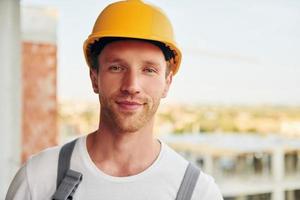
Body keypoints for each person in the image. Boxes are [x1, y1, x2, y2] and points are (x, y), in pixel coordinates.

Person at [6, 0, 223, 199]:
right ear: (94, 78)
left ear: (167, 83)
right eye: (116, 67)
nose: (132, 86)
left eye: (148, 70)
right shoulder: (38, 178)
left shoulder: (200, 193)